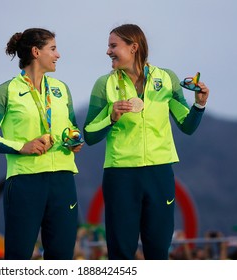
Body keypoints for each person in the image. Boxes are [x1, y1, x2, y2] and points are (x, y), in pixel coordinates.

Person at [83, 23, 209, 260]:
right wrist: (111, 116)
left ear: (134, 47)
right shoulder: (105, 84)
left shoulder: (166, 78)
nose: (108, 51)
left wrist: (199, 104)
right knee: (121, 251)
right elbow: (89, 134)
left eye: (113, 46)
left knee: (158, 250)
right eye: (108, 46)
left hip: (159, 173)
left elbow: (187, 125)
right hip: (121, 174)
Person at [0, 28, 83, 260]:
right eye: (53, 49)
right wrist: (21, 147)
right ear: (36, 52)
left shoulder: (61, 89)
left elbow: (72, 127)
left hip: (63, 181)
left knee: (63, 258)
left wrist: (73, 140)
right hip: (25, 182)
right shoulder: (6, 91)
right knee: (18, 258)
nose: (58, 55)